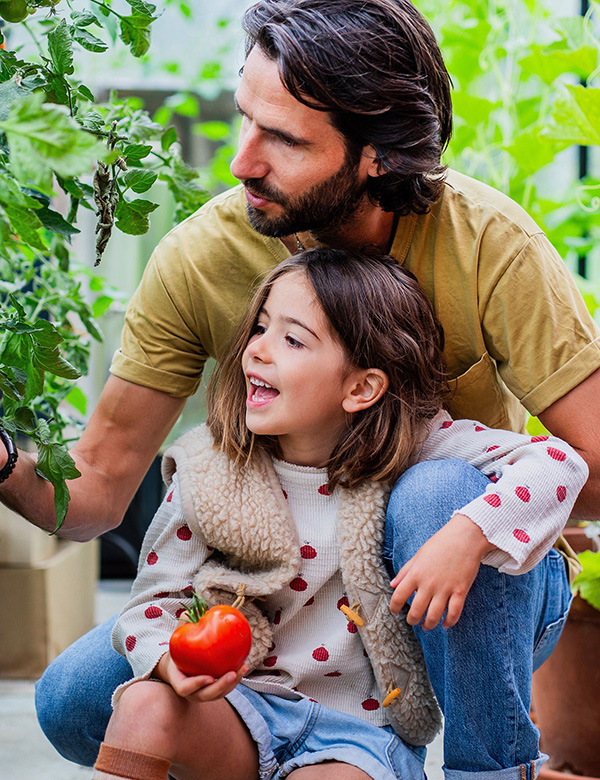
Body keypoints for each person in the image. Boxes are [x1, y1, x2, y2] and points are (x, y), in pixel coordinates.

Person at [0, 0, 597, 769]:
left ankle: (486, 767)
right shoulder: (201, 257)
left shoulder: (491, 244)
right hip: (280, 615)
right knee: (79, 697)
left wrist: (463, 516)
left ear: (378, 154)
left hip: (456, 579)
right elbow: (102, 486)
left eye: (281, 138)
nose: (242, 161)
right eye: (247, 118)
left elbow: (590, 458)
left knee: (432, 493)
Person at [93, 249, 586, 780]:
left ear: (361, 388)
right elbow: (154, 598)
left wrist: (466, 536)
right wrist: (168, 661)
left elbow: (559, 461)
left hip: (356, 739)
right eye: (260, 327)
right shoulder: (210, 468)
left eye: (293, 339)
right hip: (244, 710)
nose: (257, 349)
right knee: (142, 705)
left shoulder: (413, 450)